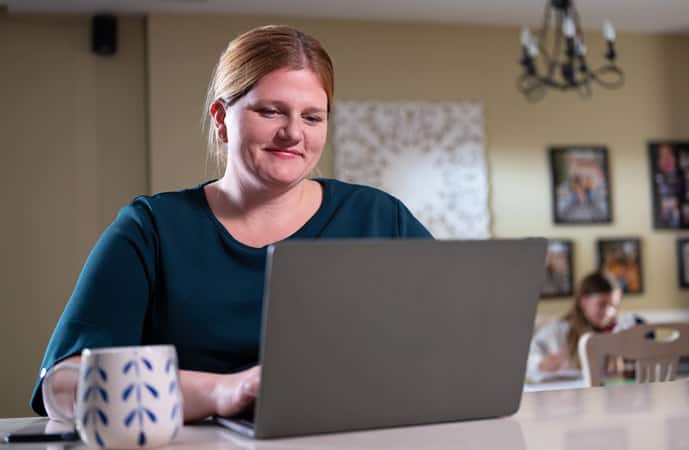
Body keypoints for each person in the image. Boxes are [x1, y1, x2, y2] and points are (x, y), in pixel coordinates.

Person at [31, 25, 431, 422]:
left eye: (312, 117)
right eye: (270, 111)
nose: (293, 133)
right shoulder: (151, 229)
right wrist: (224, 391)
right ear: (221, 118)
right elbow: (62, 386)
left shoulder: (381, 217)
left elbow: (461, 347)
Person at [526, 271, 643, 382]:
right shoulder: (557, 331)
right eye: (602, 304)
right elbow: (530, 358)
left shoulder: (621, 329)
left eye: (614, 306)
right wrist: (540, 364)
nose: (610, 313)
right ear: (583, 302)